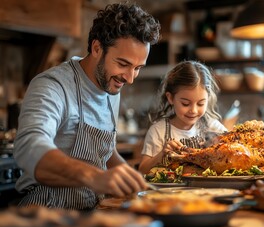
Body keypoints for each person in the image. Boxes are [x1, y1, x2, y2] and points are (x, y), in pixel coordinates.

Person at [13, 2, 160, 210]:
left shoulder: (111, 85)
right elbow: (29, 146)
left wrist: (137, 184)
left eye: (137, 68)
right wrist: (94, 176)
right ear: (97, 48)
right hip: (46, 211)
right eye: (123, 64)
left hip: (92, 210)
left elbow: (106, 153)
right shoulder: (53, 85)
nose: (130, 78)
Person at [139, 60, 227, 174]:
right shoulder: (158, 131)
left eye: (200, 104)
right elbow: (142, 170)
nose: (193, 110)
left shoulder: (213, 127)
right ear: (170, 98)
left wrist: (219, 146)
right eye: (185, 104)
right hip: (171, 191)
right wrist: (161, 154)